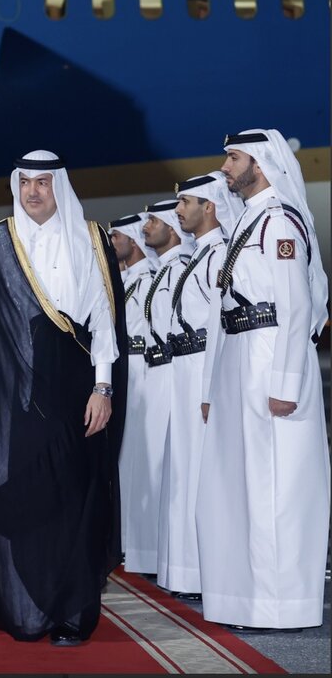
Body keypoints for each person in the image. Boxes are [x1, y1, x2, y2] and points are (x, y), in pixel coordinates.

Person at [0, 151, 125, 646]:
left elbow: (104, 325)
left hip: (75, 391)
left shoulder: (90, 238)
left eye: (43, 183)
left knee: (71, 497)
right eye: (25, 182)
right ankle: (25, 607)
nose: (33, 192)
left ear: (60, 186)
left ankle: (71, 613)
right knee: (18, 494)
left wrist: (103, 387)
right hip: (11, 399)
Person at [197, 129, 329, 632]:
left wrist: (286, 383)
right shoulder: (248, 222)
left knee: (275, 486)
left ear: (263, 162)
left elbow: (295, 308)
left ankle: (279, 606)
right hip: (240, 358)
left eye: (233, 157)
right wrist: (214, 390)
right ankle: (247, 600)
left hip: (271, 358)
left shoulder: (279, 223)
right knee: (241, 485)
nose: (225, 166)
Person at [156, 173, 239, 600]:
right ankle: (187, 572)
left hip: (202, 372)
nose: (178, 210)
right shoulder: (197, 257)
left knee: (201, 476)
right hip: (182, 371)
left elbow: (217, 327)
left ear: (209, 206)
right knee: (183, 474)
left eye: (186, 202)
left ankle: (206, 574)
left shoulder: (220, 255)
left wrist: (209, 389)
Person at [128, 199, 191, 576]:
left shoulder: (179, 269)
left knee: (168, 467)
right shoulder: (163, 273)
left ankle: (163, 557)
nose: (146, 226)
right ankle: (145, 550)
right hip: (152, 372)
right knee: (145, 465)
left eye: (154, 219)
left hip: (171, 371)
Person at [107, 213, 156, 557]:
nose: (111, 244)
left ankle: (137, 541)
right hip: (122, 371)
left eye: (115, 238)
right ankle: (122, 539)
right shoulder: (122, 281)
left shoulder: (150, 279)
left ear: (134, 241)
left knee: (139, 457)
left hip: (144, 371)